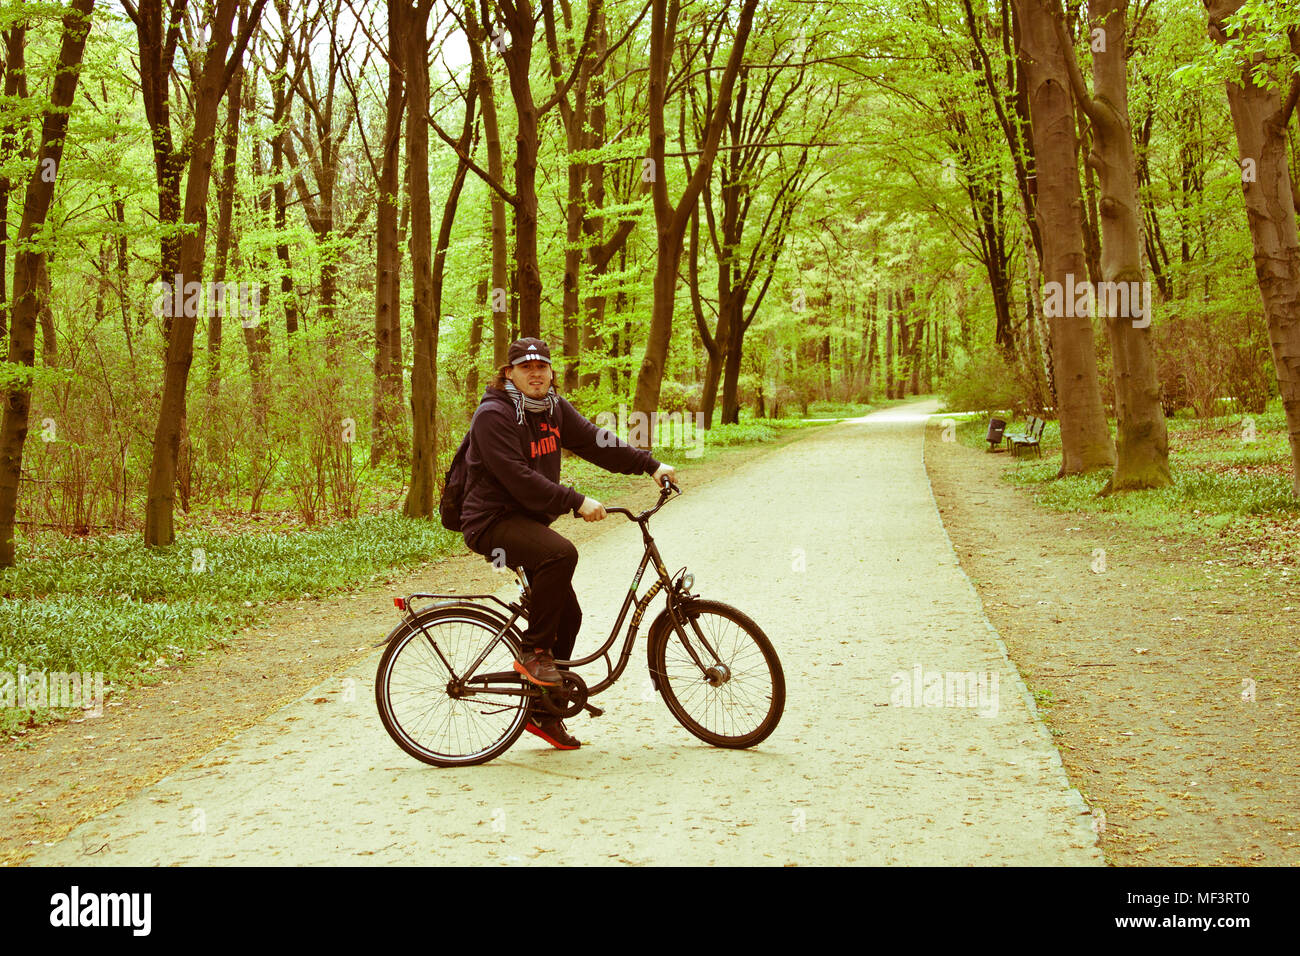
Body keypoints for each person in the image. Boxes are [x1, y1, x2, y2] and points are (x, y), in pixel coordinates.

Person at [459, 337, 676, 750]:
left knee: (568, 616)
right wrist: (575, 501)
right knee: (561, 553)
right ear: (509, 374)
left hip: (525, 518)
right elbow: (517, 477)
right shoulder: (493, 415)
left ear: (551, 372)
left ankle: (543, 712)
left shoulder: (553, 408)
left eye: (542, 367)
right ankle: (532, 652)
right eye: (526, 368)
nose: (536, 373)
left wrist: (650, 465)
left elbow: (598, 441)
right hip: (491, 520)